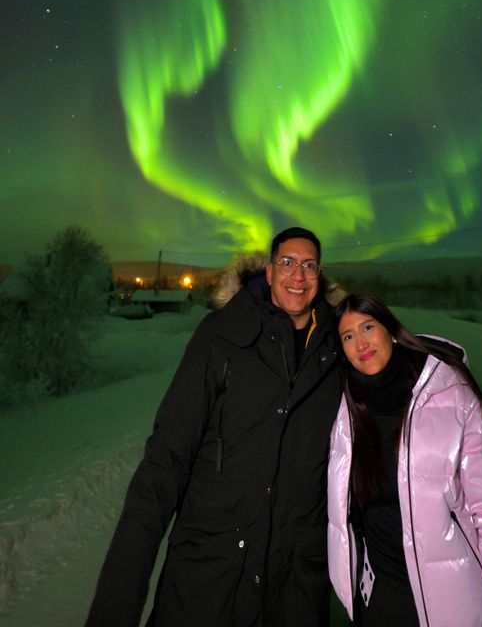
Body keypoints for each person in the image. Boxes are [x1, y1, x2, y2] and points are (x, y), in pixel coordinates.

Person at [86, 227, 344, 627]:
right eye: (287, 263)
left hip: (292, 591)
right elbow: (165, 461)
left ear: (320, 274)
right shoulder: (221, 335)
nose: (298, 275)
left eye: (309, 265)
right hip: (208, 582)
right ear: (270, 272)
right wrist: (114, 609)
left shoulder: (336, 350)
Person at [327, 294, 482, 626]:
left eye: (368, 327)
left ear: (389, 329)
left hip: (451, 604)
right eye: (348, 336)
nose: (361, 343)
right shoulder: (347, 412)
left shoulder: (451, 396)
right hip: (378, 602)